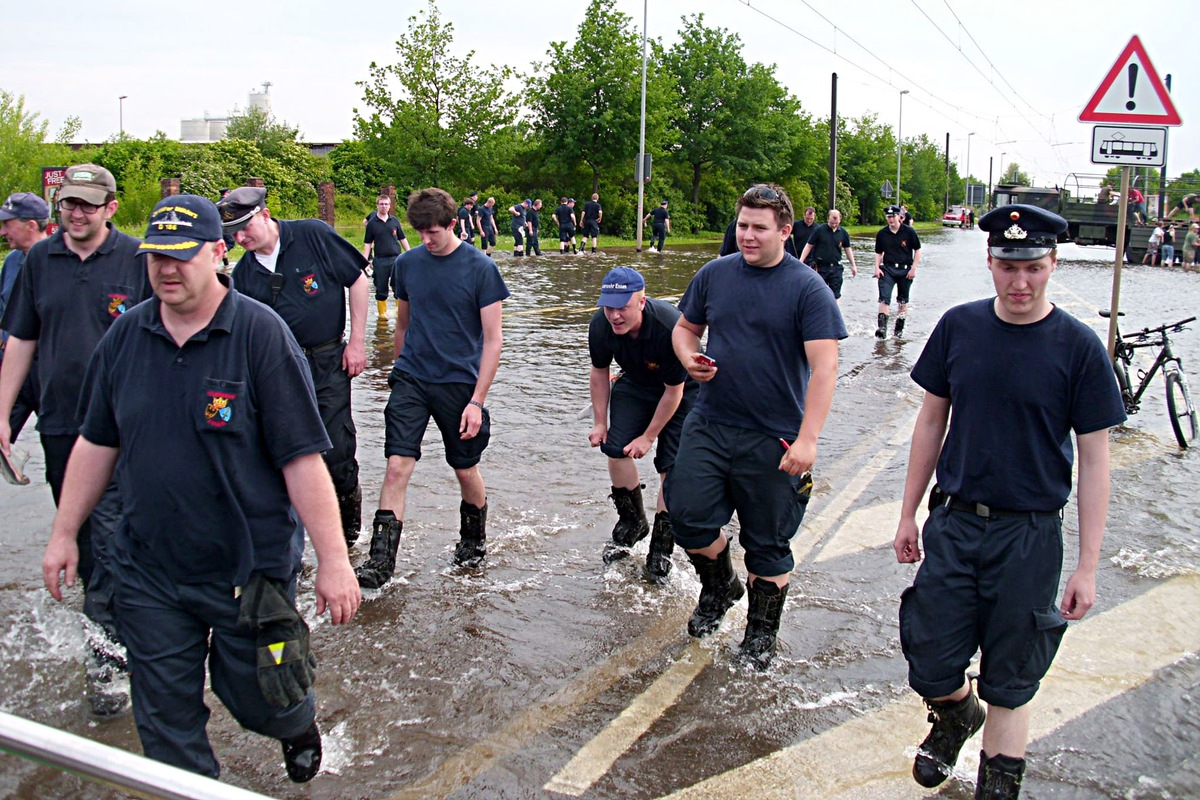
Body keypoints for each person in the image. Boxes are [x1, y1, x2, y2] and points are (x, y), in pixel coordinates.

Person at [42, 194, 362, 782]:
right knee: (164, 719)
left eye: (181, 256)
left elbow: (303, 460)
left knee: (260, 695)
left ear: (217, 252)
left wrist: (334, 560)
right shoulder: (125, 338)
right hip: (150, 566)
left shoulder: (261, 336)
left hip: (248, 565)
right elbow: (95, 444)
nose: (166, 269)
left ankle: (294, 722)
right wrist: (65, 533)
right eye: (155, 256)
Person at [892, 204, 1125, 799]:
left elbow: (1096, 461)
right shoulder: (958, 328)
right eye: (1007, 267)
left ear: (1052, 263)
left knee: (1012, 681)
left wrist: (1088, 565)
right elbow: (930, 423)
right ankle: (954, 714)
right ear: (990, 263)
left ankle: (998, 784)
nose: (1020, 283)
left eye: (1033, 268)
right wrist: (907, 512)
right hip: (955, 523)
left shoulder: (1078, 348)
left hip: (1030, 537)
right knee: (930, 660)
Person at [668, 184, 846, 669]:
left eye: (759, 228)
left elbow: (826, 367)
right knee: (687, 516)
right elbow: (685, 329)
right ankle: (720, 587)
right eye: (742, 225)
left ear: (786, 232)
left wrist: (809, 439)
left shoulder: (807, 288)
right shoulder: (715, 275)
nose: (747, 235)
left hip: (775, 436)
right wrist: (689, 358)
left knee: (767, 543)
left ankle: (761, 633)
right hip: (711, 420)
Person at [0, 164, 149, 717]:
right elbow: (23, 337)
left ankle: (110, 660)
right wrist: (2, 412)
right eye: (69, 204)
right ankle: (114, 632)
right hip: (63, 424)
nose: (77, 213)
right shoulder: (39, 260)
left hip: (128, 424)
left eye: (88, 204)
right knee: (86, 542)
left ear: (111, 206)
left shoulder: (137, 259)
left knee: (116, 534)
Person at [356, 188, 510, 588]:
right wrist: (398, 369)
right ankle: (380, 563)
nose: (427, 239)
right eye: (420, 231)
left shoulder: (480, 268)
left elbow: (493, 340)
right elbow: (402, 324)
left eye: (434, 232)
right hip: (412, 378)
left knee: (463, 467)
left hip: (460, 383)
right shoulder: (406, 265)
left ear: (453, 224)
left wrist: (477, 401)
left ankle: (473, 541)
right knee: (396, 465)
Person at [219, 187, 369, 548]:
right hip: (277, 371)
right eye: (233, 234)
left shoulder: (312, 234)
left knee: (335, 453)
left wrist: (357, 342)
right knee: (282, 454)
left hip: (328, 360)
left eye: (245, 227)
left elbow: (358, 280)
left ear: (265, 214)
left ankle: (349, 537)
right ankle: (291, 548)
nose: (241, 238)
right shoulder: (245, 275)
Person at [588, 267, 697, 582]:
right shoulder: (600, 325)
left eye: (623, 307)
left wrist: (649, 437)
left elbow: (674, 391)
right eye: (609, 307)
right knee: (615, 447)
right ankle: (632, 521)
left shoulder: (669, 326)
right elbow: (599, 372)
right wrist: (599, 422)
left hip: (681, 391)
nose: (615, 315)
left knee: (670, 466)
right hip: (636, 383)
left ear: (642, 302)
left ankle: (662, 545)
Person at [0, 192, 51, 444]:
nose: (2, 231)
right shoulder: (11, 262)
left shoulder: (59, 262)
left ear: (31, 225)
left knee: (58, 445)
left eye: (8, 224)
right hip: (13, 368)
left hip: (47, 371)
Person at [873, 204, 922, 338]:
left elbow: (918, 250)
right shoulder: (882, 233)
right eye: (888, 217)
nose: (890, 219)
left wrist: (914, 268)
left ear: (899, 217)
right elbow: (878, 252)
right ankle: (882, 329)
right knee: (884, 299)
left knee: (902, 302)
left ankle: (898, 331)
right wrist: (877, 267)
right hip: (888, 269)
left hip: (905, 271)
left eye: (893, 216)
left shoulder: (909, 232)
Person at [363, 194, 411, 321]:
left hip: (396, 258)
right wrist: (364, 260)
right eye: (381, 204)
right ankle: (382, 317)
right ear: (377, 205)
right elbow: (367, 243)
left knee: (398, 288)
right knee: (381, 288)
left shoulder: (394, 221)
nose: (384, 206)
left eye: (386, 204)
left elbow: (402, 238)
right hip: (380, 260)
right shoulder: (372, 224)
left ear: (389, 206)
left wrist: (410, 253)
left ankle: (399, 314)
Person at [800, 209, 858, 302]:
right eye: (832, 222)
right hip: (821, 267)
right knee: (819, 294)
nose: (834, 224)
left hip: (836, 268)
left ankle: (834, 315)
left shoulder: (843, 233)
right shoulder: (819, 230)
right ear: (828, 218)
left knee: (835, 296)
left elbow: (847, 249)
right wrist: (801, 261)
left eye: (836, 222)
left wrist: (853, 265)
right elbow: (809, 245)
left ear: (840, 220)